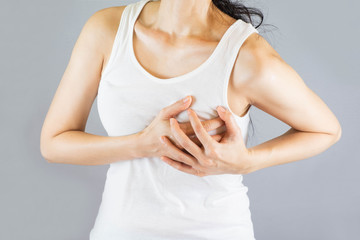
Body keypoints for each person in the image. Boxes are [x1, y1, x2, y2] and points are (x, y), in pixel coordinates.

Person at [40, 0, 342, 239]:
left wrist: (248, 161)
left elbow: (326, 129)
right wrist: (143, 144)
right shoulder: (106, 30)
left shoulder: (247, 56)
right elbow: (54, 143)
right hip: (119, 232)